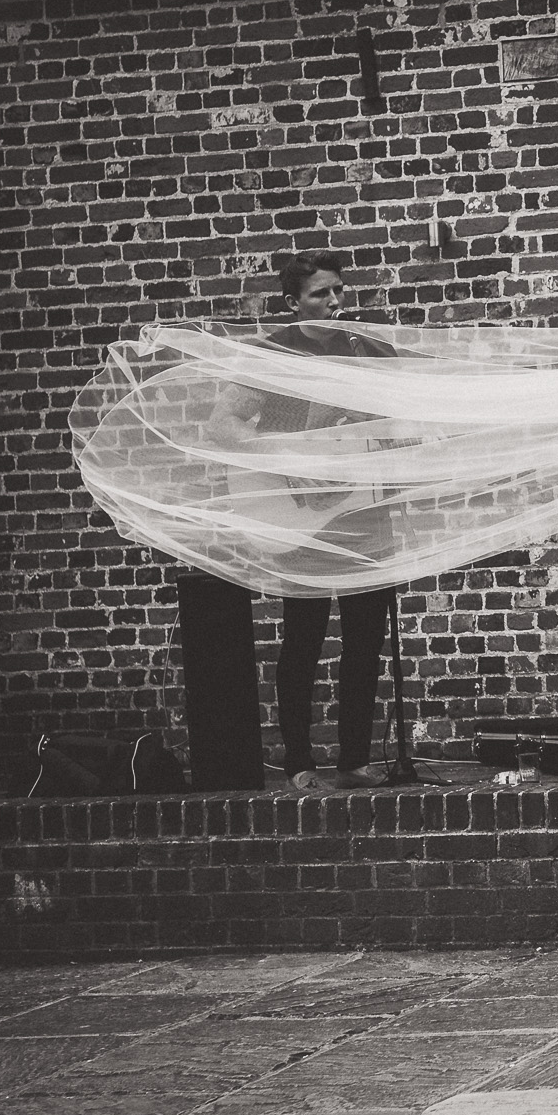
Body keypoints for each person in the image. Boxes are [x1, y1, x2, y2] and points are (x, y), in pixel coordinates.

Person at [206, 253, 394, 790]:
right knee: (303, 643)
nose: (335, 302)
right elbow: (222, 427)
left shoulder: (368, 352)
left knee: (364, 644)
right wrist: (288, 462)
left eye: (339, 291)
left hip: (364, 515)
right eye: (321, 294)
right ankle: (298, 763)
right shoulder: (272, 358)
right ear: (292, 303)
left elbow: (398, 425)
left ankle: (355, 761)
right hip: (300, 520)